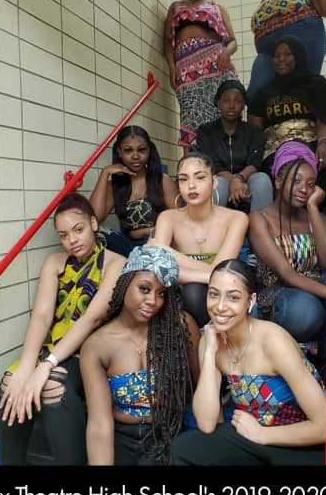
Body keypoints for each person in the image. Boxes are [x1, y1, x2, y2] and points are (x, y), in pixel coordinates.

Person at [0, 193, 126, 465]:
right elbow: (42, 316)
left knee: (53, 386)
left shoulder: (116, 263)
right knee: (9, 384)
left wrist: (46, 365)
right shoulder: (55, 263)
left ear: (93, 223)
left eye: (78, 230)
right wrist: (28, 366)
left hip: (89, 351)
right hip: (53, 346)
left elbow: (91, 319)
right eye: (63, 235)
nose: (72, 240)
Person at [170, 259, 326, 465]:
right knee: (182, 449)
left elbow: (324, 427)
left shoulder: (273, 342)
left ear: (250, 301)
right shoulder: (211, 339)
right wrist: (209, 354)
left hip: (299, 442)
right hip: (250, 437)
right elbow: (207, 424)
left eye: (233, 297)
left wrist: (263, 435)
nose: (220, 307)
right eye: (214, 294)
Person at [80, 245, 200, 465]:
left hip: (167, 433)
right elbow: (99, 423)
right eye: (144, 289)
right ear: (125, 284)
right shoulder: (97, 345)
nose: (153, 301)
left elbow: (199, 388)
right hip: (119, 437)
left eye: (161, 293)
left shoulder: (181, 327)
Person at [248, 142, 326, 349]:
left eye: (310, 184)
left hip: (315, 288)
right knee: (306, 308)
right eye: (296, 181)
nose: (304, 189)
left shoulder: (314, 218)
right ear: (279, 181)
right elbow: (286, 274)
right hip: (279, 294)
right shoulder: (258, 220)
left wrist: (313, 209)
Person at [248, 35, 326, 211]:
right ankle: (294, 215)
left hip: (313, 146)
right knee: (281, 170)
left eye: (287, 54)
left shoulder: (316, 84)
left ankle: (314, 207)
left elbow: (325, 117)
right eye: (277, 55)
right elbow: (254, 131)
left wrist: (324, 142)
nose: (281, 59)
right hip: (276, 152)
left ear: (298, 56)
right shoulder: (263, 94)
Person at [149, 151, 249, 329]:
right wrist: (211, 273)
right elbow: (160, 269)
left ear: (214, 182)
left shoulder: (237, 218)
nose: (191, 186)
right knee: (193, 291)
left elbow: (224, 272)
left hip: (226, 294)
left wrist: (171, 254)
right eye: (183, 179)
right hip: (184, 297)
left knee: (195, 290)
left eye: (200, 177)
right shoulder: (168, 217)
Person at [164, 0, 238, 152]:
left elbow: (232, 42)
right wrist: (172, 68)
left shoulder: (217, 8)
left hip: (216, 68)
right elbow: (167, 43)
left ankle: (222, 164)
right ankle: (189, 165)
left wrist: (226, 52)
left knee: (219, 114)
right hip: (186, 71)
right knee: (189, 116)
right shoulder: (176, 7)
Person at [89, 125, 178, 257]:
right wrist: (105, 173)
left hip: (157, 243)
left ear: (149, 151)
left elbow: (179, 221)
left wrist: (143, 232)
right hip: (127, 246)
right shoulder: (114, 185)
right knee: (94, 234)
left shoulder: (162, 180)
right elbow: (94, 219)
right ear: (119, 152)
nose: (135, 156)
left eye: (141, 150)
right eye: (128, 150)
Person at [194, 79, 272, 214]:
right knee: (219, 184)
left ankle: (260, 229)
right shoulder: (206, 132)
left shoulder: (254, 131)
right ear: (218, 103)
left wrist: (239, 179)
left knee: (262, 180)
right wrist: (234, 181)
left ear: (243, 106)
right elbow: (211, 164)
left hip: (246, 179)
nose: (232, 105)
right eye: (226, 100)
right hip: (220, 178)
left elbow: (255, 162)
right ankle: (214, 232)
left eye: (238, 101)